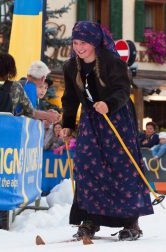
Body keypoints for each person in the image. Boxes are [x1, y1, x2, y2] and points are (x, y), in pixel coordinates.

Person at [61, 21, 153, 241]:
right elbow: (70, 98)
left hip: (117, 117)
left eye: (83, 42)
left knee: (121, 167)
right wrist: (67, 123)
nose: (79, 47)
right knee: (88, 165)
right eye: (75, 42)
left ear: (94, 42)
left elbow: (124, 90)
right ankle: (90, 219)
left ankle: (130, 221)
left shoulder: (113, 62)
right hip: (91, 120)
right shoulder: (70, 66)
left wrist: (108, 104)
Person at [0, 52, 60, 123]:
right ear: (11, 70)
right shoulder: (15, 86)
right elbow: (30, 112)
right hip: (7, 130)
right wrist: (48, 115)